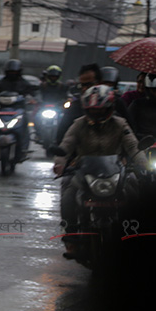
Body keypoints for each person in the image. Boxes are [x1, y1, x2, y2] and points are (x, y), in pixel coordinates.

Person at [52, 85, 144, 258]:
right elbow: (66, 144)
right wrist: (60, 163)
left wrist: (144, 164)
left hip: (115, 171)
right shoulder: (78, 124)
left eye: (101, 111)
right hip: (84, 171)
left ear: (110, 108)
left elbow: (133, 146)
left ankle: (132, 230)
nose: (97, 114)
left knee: (133, 184)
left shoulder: (120, 124)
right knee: (67, 192)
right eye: (93, 111)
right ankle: (70, 237)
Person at [0, 59, 37, 161]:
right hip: (1, 110)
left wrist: (34, 99)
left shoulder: (23, 83)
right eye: (10, 72)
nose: (12, 74)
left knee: (25, 127)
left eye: (14, 72)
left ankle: (23, 148)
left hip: (19, 110)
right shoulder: (1, 83)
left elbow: (33, 92)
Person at [55, 63, 100, 144]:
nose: (85, 89)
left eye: (89, 84)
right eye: (82, 85)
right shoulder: (75, 105)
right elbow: (62, 133)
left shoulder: (115, 103)